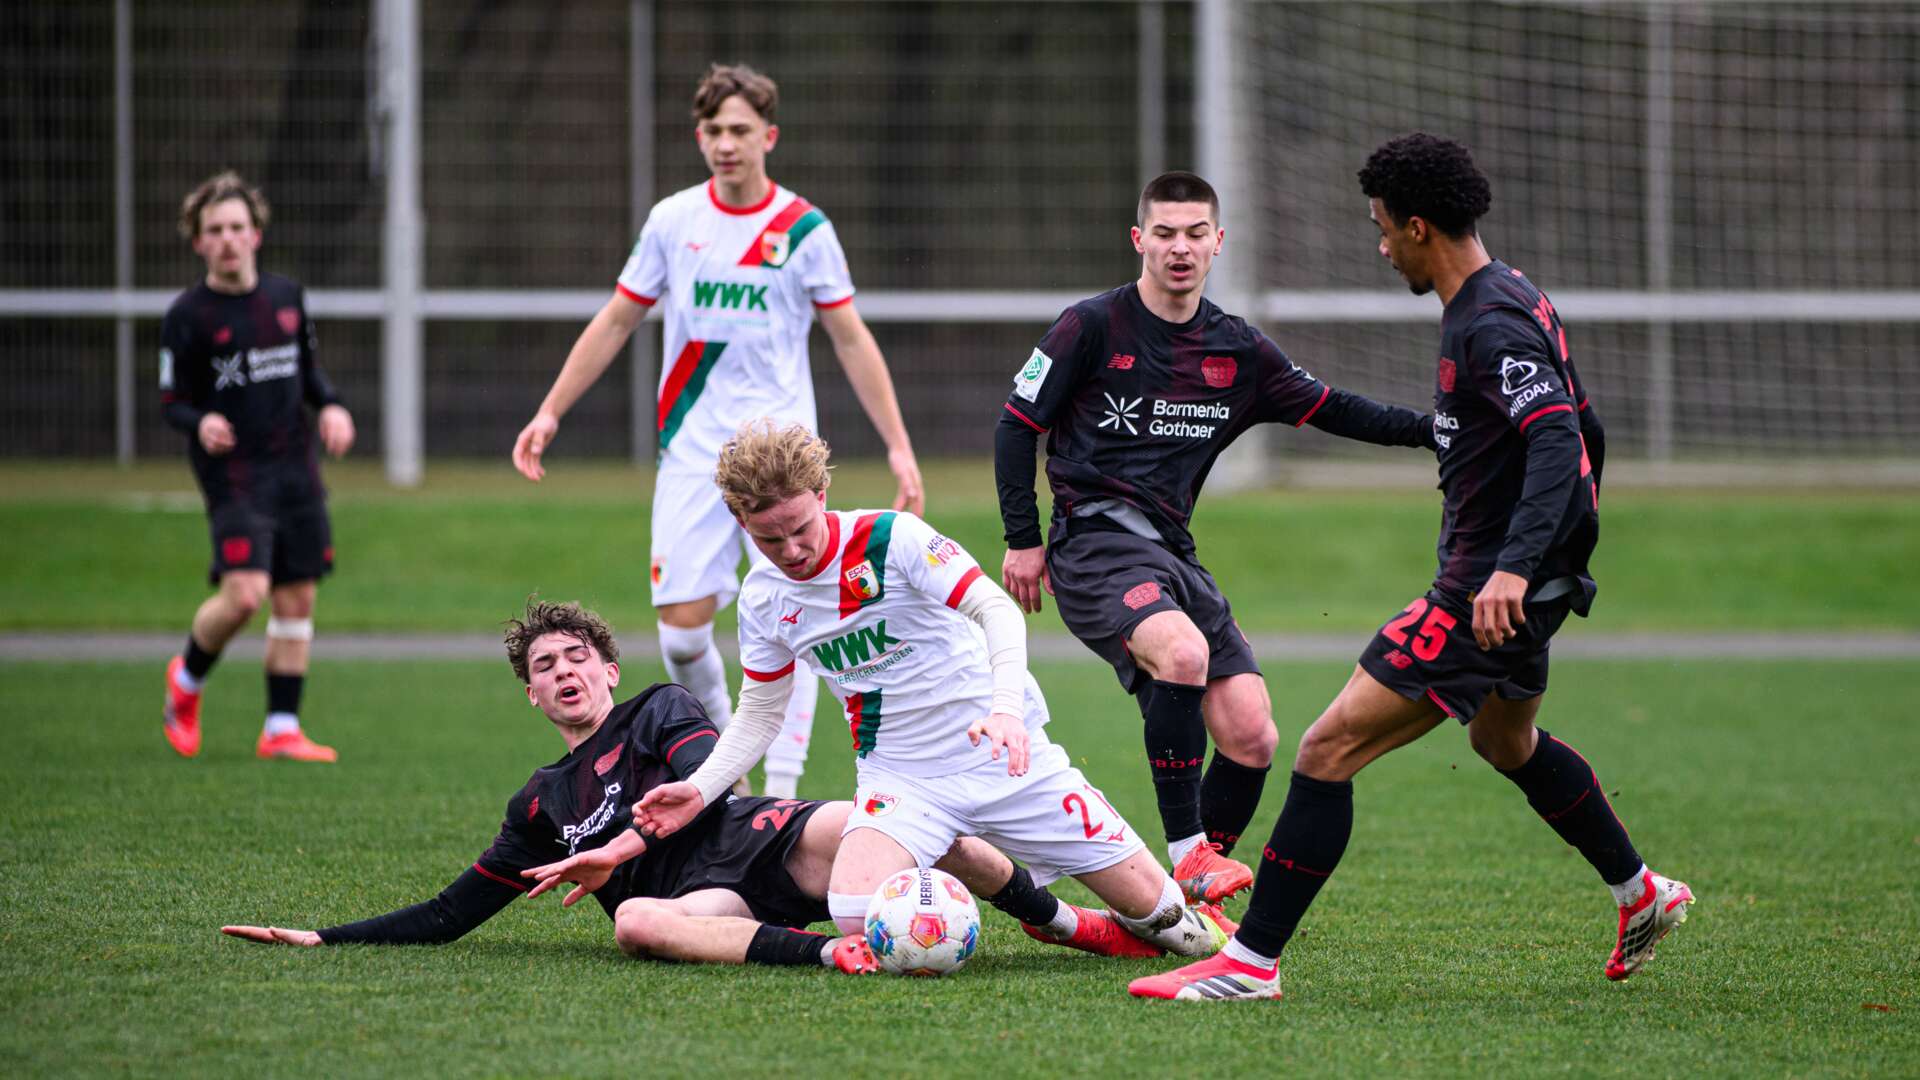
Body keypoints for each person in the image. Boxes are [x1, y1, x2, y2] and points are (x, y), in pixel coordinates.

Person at [1130, 134, 1694, 1002]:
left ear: (1421, 226)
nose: (1381, 243)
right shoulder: (1516, 297)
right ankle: (1641, 890)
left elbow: (1555, 438)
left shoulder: (1488, 320)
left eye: (1385, 228)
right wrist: (1553, 564)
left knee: (1324, 750)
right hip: (1526, 588)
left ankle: (1248, 965)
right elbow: (1589, 431)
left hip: (1485, 596)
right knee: (1504, 740)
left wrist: (1513, 569)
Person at [222, 600, 1151, 969]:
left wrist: (619, 845)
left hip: (764, 838)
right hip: (695, 900)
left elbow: (712, 783)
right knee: (633, 925)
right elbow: (451, 912)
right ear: (531, 693)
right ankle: (834, 954)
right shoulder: (542, 803)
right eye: (544, 666)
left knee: (908, 817)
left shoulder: (660, 712)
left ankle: (1068, 924)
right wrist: (323, 935)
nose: (564, 672)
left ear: (609, 669)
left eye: (577, 655)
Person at [994, 171, 1438, 904]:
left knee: (1252, 735)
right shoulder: (1091, 325)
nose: (1180, 248)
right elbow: (1018, 425)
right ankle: (1191, 854)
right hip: (1092, 546)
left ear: (1217, 243)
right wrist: (1023, 537)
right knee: (1184, 653)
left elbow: (1336, 408)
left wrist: (1439, 431)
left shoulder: (1239, 351)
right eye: (1164, 233)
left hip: (1172, 554)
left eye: (1195, 234)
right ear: (1139, 240)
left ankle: (1177, 901)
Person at [634, 422, 1234, 962]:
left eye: (799, 529)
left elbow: (995, 608)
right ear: (742, 525)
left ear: (821, 497)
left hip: (1005, 757)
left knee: (1166, 922)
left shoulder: (892, 538)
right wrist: (699, 789)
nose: (792, 551)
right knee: (852, 911)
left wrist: (1006, 713)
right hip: (902, 779)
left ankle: (1195, 932)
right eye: (770, 540)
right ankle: (1074, 925)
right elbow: (761, 712)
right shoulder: (765, 599)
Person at [510, 63, 922, 800]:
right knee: (681, 632)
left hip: (782, 461)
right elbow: (617, 318)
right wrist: (550, 409)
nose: (726, 144)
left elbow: (852, 339)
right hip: (694, 453)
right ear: (699, 138)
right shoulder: (674, 222)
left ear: (769, 135)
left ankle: (783, 786)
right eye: (713, 131)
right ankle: (727, 754)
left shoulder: (804, 229)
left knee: (796, 614)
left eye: (740, 130)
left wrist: (896, 443)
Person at [159, 171, 355, 763]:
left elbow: (310, 373)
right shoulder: (187, 316)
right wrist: (201, 423)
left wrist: (332, 406)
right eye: (214, 230)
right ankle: (186, 681)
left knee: (296, 599)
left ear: (257, 234)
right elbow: (170, 403)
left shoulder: (287, 298)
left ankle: (281, 728)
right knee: (245, 595)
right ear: (198, 242)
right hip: (235, 477)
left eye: (237, 228)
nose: (227, 239)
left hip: (295, 467)